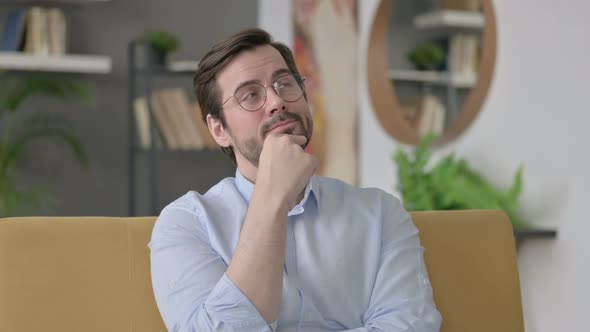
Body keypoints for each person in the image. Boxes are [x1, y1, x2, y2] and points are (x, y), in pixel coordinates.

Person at [149, 28, 442, 332]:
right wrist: (272, 198)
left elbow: (412, 326)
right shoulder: (187, 224)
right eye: (250, 95)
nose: (277, 101)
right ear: (218, 129)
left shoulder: (380, 213)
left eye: (284, 83)